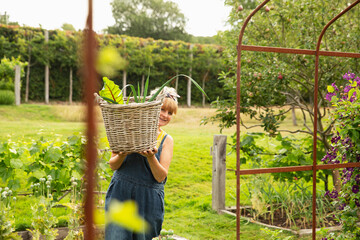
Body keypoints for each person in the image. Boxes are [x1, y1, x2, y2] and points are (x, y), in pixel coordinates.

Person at [104, 87, 179, 240]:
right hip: (121, 193)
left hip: (148, 197)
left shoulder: (167, 140)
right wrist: (122, 154)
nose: (165, 115)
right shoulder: (127, 130)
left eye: (170, 113)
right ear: (149, 108)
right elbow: (113, 165)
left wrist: (151, 157)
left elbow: (160, 177)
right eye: (162, 109)